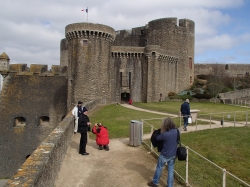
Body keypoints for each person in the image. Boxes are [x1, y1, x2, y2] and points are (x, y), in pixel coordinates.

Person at [147, 117, 178, 187]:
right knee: (170, 170)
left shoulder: (165, 134)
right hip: (173, 154)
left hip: (165, 154)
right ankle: (170, 185)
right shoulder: (177, 131)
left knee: (159, 167)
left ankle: (155, 182)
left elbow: (157, 138)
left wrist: (161, 130)